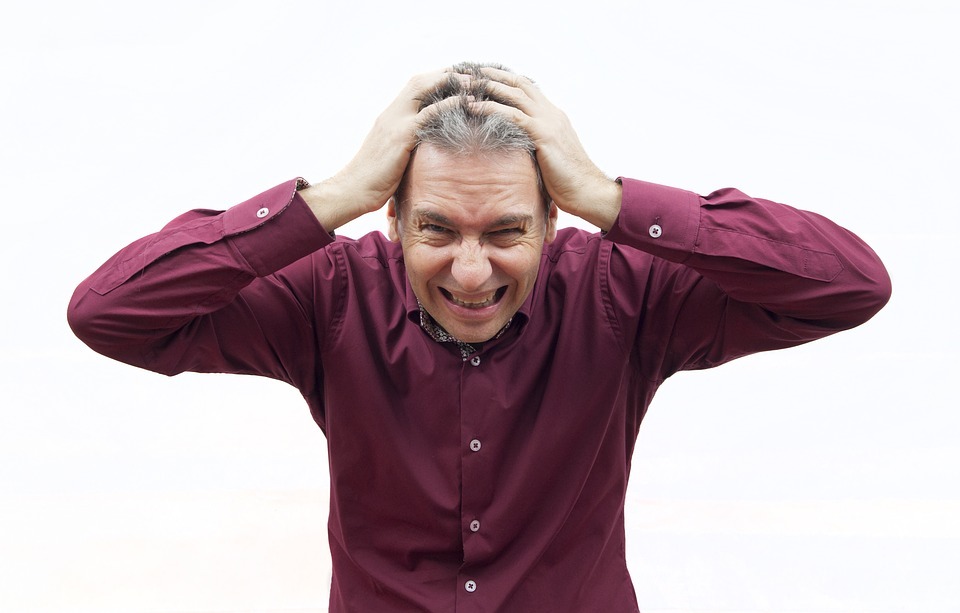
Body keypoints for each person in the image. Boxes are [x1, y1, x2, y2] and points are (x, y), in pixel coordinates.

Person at [68, 62, 891, 612]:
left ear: (552, 218)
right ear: (387, 218)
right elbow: (110, 311)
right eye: (435, 228)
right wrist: (332, 195)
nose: (469, 271)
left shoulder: (621, 290)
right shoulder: (331, 294)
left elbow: (850, 283)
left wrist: (613, 197)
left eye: (505, 229)